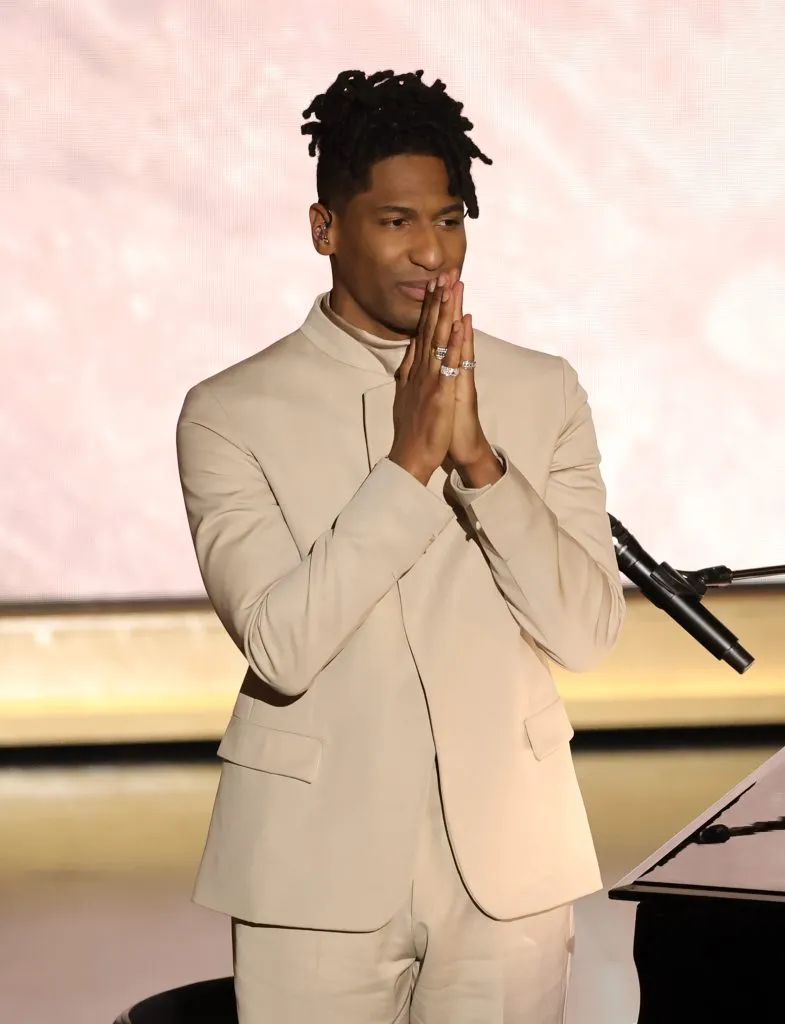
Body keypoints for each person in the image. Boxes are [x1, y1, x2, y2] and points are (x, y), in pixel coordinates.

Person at [176, 68, 625, 1024]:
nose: (432, 252)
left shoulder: (542, 390)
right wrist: (412, 462)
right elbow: (283, 646)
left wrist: (480, 465)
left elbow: (585, 635)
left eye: (451, 219)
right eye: (395, 222)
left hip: (508, 859)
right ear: (324, 227)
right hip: (311, 868)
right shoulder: (229, 413)